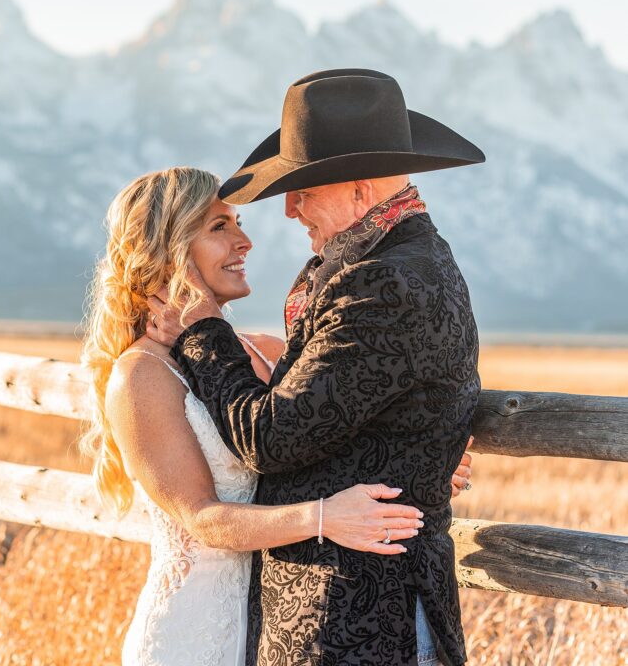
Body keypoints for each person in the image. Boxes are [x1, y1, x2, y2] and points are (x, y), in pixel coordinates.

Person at [146, 67, 484, 666]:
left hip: (356, 616)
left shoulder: (381, 282)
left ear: (358, 189)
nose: (290, 210)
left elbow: (270, 439)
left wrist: (202, 332)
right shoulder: (401, 262)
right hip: (352, 608)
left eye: (305, 190)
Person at [80, 166, 461, 666]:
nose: (245, 241)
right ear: (167, 248)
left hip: (278, 624)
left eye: (237, 222)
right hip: (197, 632)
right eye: (219, 227)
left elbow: (331, 426)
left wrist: (426, 454)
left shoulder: (264, 352)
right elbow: (201, 519)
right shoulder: (141, 376)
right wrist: (323, 518)